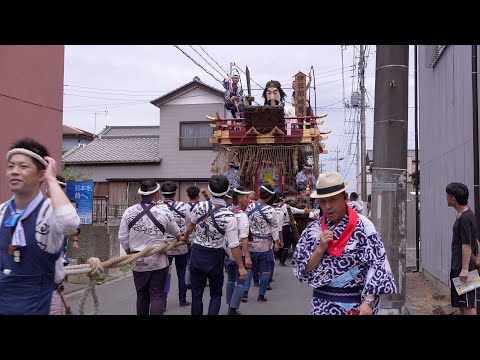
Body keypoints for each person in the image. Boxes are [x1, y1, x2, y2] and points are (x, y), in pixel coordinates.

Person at [292, 171, 397, 315]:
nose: (327, 206)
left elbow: (377, 264)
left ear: (345, 198)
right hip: (321, 305)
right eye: (323, 202)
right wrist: (320, 249)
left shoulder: (364, 227)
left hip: (354, 305)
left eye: (333, 200)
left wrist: (368, 302)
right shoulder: (313, 230)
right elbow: (303, 268)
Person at [0, 138, 80, 314]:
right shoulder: (2, 211)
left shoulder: (49, 212)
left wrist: (52, 180)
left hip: (43, 301)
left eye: (23, 166)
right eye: (11, 166)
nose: (15, 171)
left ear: (40, 174)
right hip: (5, 300)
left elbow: (70, 224)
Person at [184, 174, 247, 315]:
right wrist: (241, 267)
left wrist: (185, 238)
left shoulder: (199, 207)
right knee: (216, 295)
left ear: (209, 189)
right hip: (215, 257)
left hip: (197, 253)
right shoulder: (228, 216)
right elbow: (234, 245)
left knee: (196, 294)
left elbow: (190, 226)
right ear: (227, 191)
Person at [118, 180, 183, 315]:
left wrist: (131, 255)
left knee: (141, 295)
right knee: (157, 294)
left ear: (142, 195)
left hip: (138, 259)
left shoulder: (128, 212)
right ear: (156, 195)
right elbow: (177, 233)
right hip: (158, 260)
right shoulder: (163, 212)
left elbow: (123, 237)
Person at [242, 183, 280, 302]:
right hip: (264, 245)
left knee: (249, 269)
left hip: (249, 243)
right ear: (269, 198)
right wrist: (277, 242)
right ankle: (261, 296)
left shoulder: (249, 207)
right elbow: (274, 228)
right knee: (265, 270)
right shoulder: (271, 210)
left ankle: (245, 293)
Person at [48, 175, 81, 315]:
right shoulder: (51, 207)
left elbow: (74, 227)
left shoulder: (62, 207)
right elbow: (74, 227)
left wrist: (75, 240)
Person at [446, 182, 478, 315]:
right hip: (458, 265)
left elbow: (467, 244)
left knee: (468, 303)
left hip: (464, 268)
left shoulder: (465, 218)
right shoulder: (466, 215)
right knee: (461, 302)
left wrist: (465, 269)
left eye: (447, 195)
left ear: (453, 199)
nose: (446, 198)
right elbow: (474, 239)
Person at [162, 181, 191, 308]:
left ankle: (162, 303)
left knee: (165, 275)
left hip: (164, 246)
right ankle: (182, 300)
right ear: (175, 193)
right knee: (181, 273)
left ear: (162, 194)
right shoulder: (183, 206)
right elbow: (189, 221)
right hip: (181, 244)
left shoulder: (157, 207)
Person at [225, 186, 252, 315]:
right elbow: (244, 238)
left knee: (230, 279)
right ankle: (233, 308)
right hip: (238, 252)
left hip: (226, 252)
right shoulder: (242, 215)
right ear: (240, 198)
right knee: (242, 280)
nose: (248, 199)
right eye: (246, 197)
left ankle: (229, 304)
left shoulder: (226, 211)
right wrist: (247, 256)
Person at [184, 184, 201, 290]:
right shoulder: (202, 206)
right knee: (200, 259)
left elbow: (187, 223)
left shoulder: (184, 207)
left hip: (188, 235)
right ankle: (200, 280)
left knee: (188, 260)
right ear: (199, 195)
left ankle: (188, 281)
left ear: (187, 195)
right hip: (199, 235)